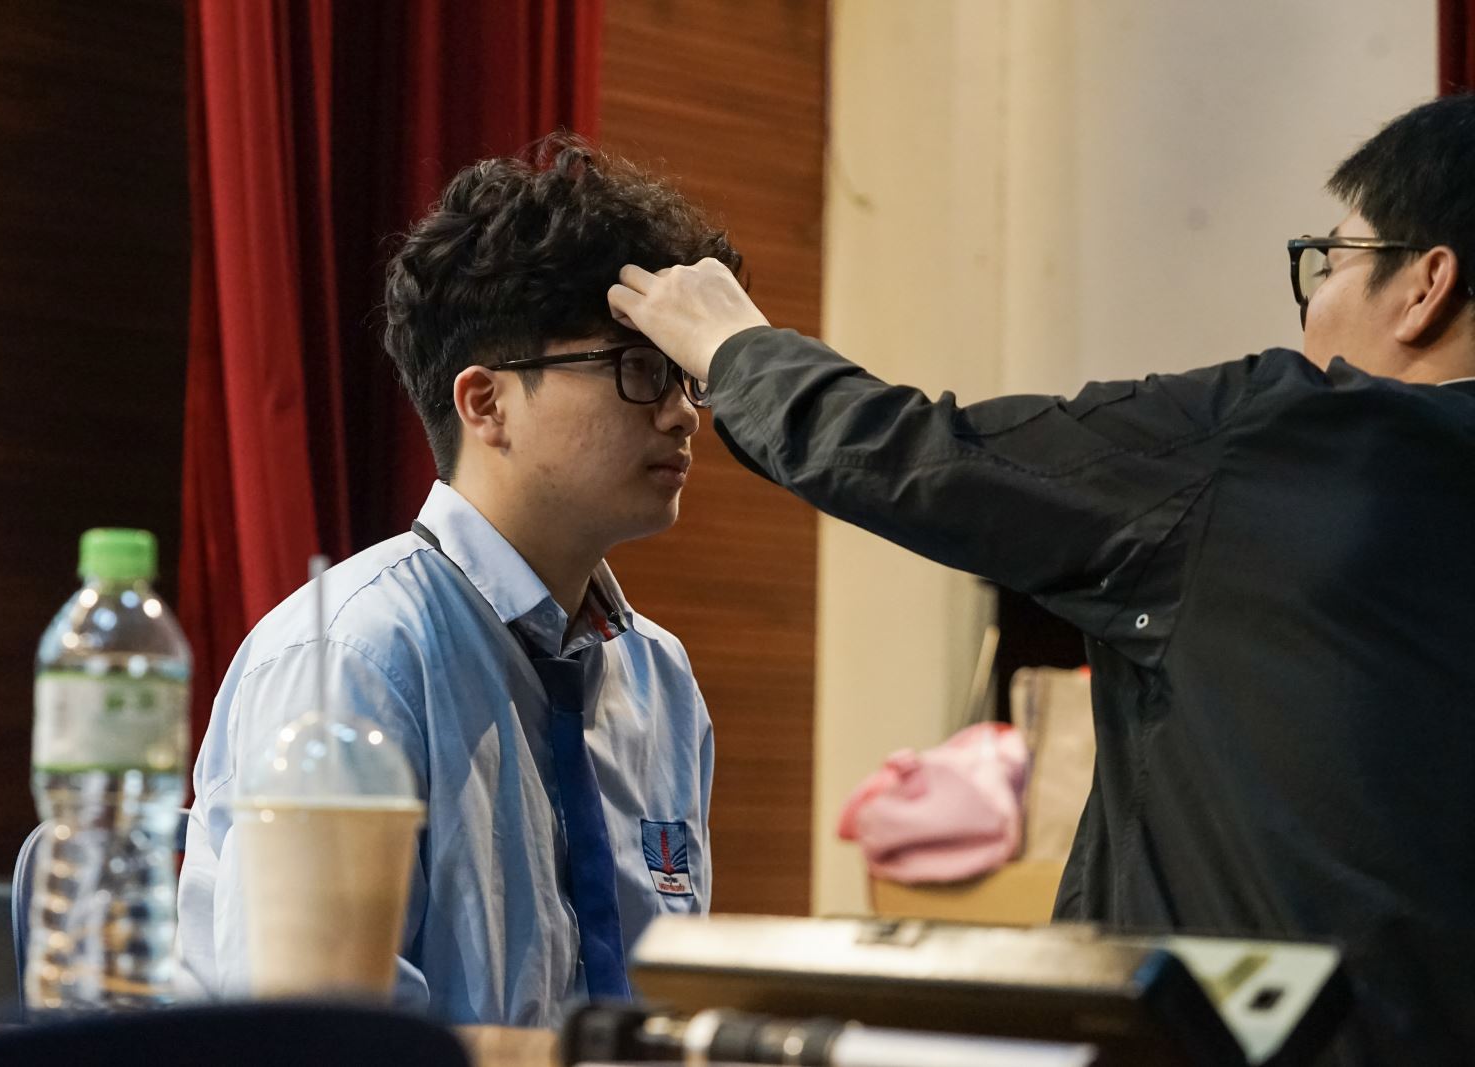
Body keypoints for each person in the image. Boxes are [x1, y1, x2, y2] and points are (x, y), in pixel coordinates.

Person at [608, 95, 1475, 1063]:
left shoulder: (1295, 436)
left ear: (1425, 283)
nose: (1312, 303)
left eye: (1332, 260)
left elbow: (920, 457)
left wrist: (735, 348)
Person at [177, 135, 738, 1026]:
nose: (680, 413)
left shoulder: (659, 678)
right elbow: (316, 1041)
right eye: (637, 368)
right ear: (486, 403)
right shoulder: (354, 656)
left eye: (684, 377)